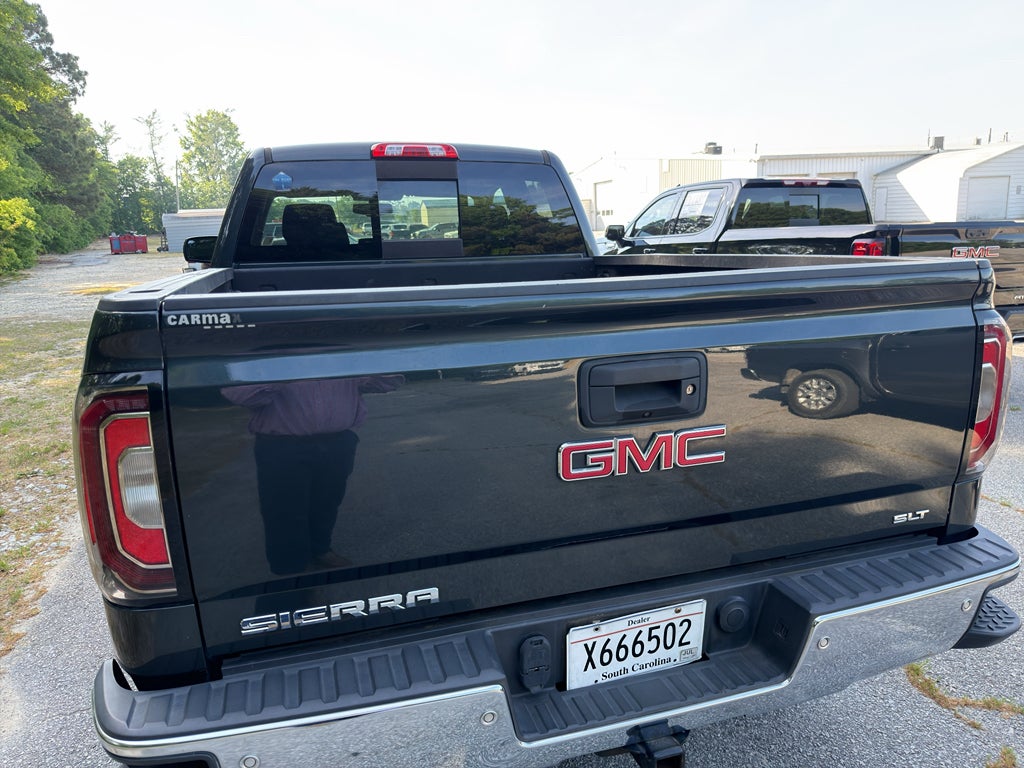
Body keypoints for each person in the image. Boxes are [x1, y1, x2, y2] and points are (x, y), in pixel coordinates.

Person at [222, 375, 403, 575]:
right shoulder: (268, 351)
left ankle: (320, 550)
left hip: (338, 441)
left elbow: (388, 382)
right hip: (282, 445)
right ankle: (291, 572)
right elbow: (240, 395)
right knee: (283, 509)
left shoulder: (341, 352)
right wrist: (286, 370)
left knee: (327, 501)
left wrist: (365, 361)